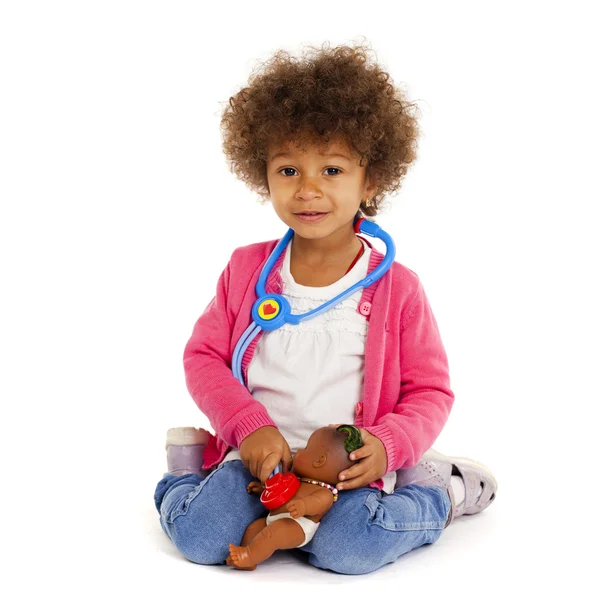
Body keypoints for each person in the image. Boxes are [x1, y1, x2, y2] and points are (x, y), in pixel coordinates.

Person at [154, 41, 497, 575]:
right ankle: (185, 475)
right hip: (258, 456)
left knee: (348, 551)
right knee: (201, 539)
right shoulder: (247, 271)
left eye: (332, 170)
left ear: (372, 179)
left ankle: (438, 493)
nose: (308, 189)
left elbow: (430, 391)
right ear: (261, 172)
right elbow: (203, 357)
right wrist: (246, 426)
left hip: (344, 469)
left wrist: (388, 445)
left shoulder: (396, 289)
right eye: (288, 169)